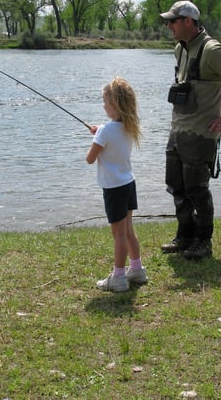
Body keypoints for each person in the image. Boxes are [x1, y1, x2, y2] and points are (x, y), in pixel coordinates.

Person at [159, 0, 221, 260]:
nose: (169, 26)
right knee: (176, 187)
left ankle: (203, 241)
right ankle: (184, 236)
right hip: (177, 131)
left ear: (188, 21)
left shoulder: (211, 50)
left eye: (173, 21)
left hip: (201, 135)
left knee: (197, 190)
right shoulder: (180, 48)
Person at [86, 77, 148, 292]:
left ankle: (119, 277)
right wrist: (100, 133)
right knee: (129, 230)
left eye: (106, 101)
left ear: (115, 104)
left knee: (118, 234)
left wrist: (98, 138)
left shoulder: (105, 131)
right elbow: (112, 139)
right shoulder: (129, 126)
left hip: (114, 188)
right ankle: (137, 270)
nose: (103, 105)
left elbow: (90, 158)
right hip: (128, 183)